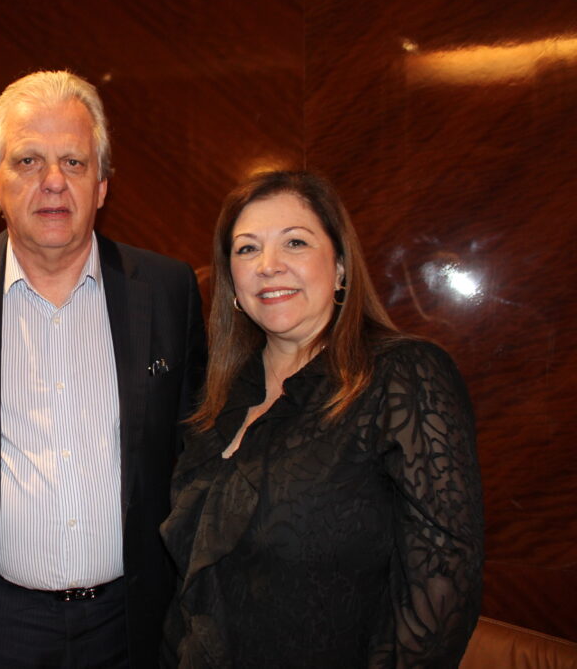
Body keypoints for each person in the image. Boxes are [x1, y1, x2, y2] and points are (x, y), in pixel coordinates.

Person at [0, 70, 207, 668]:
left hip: (132, 623)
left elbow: (194, 450)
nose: (53, 183)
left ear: (102, 184)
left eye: (73, 161)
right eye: (28, 161)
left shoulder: (168, 291)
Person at [160, 171, 484, 667]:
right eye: (247, 250)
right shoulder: (216, 397)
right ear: (231, 283)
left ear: (339, 267)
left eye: (295, 242)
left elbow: (443, 589)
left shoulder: (401, 376)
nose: (268, 266)